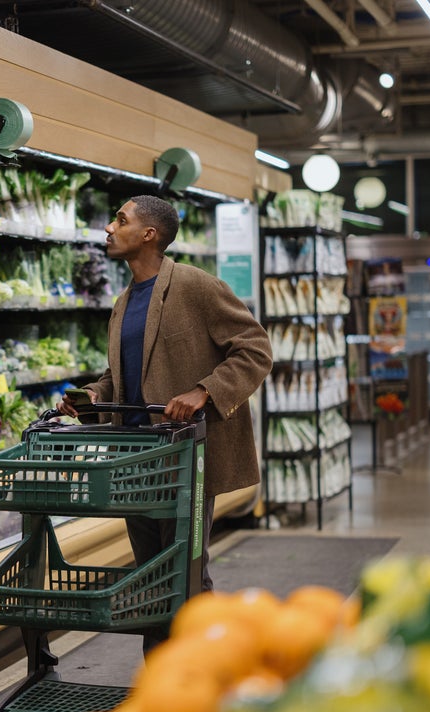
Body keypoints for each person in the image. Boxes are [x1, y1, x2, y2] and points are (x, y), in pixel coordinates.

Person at [58, 194, 272, 650]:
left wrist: (204, 391)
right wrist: (91, 395)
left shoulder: (196, 287)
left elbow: (255, 348)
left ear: (149, 234)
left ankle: (204, 673)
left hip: (184, 457)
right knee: (151, 574)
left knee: (187, 574)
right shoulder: (122, 303)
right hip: (136, 457)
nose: (109, 228)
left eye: (121, 219)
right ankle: (162, 678)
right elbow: (121, 377)